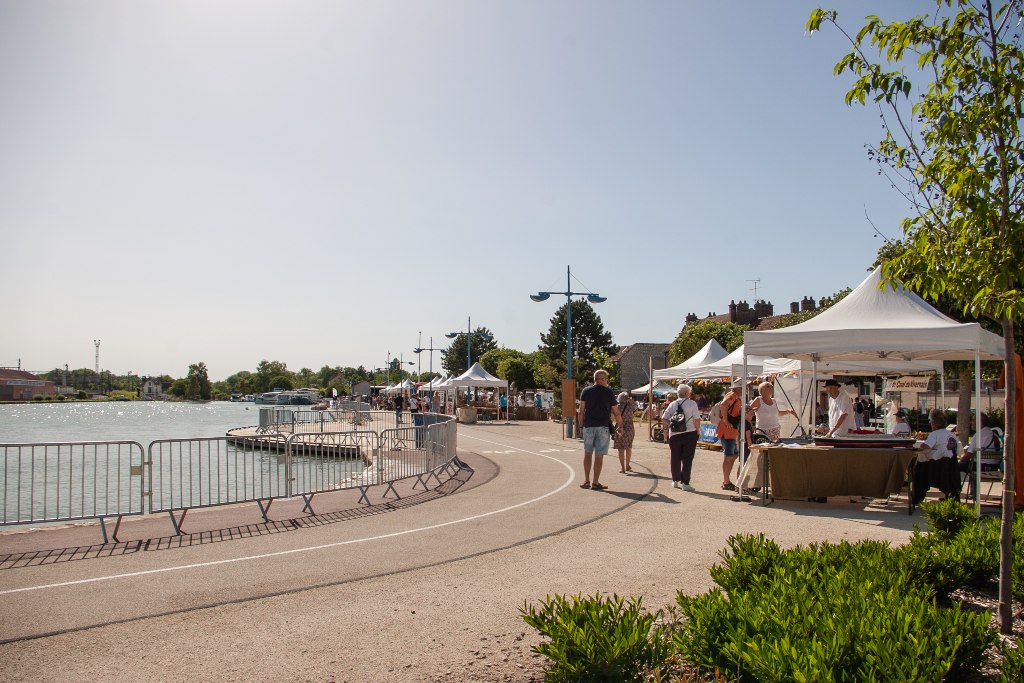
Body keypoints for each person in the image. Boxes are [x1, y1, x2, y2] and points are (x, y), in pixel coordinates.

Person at [577, 369, 623, 491]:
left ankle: (586, 480)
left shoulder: (586, 391)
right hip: (603, 427)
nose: (607, 381)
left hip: (588, 426)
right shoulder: (608, 392)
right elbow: (616, 412)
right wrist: (620, 426)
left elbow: (581, 411)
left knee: (587, 454)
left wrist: (581, 426)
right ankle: (595, 482)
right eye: (606, 379)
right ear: (602, 379)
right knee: (599, 456)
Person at [914, 408, 961, 505]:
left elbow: (926, 446)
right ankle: (952, 493)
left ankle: (918, 495)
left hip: (938, 468)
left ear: (934, 423)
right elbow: (959, 451)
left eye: (931, 422)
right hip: (952, 467)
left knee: (920, 468)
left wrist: (920, 447)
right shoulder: (952, 435)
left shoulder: (935, 434)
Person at [661, 383, 701, 490]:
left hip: (674, 435)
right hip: (689, 433)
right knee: (687, 458)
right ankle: (685, 483)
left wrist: (673, 425)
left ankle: (675, 480)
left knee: (675, 457)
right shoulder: (692, 403)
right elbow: (697, 419)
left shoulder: (672, 404)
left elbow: (664, 419)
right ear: (687, 393)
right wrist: (698, 431)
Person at [716, 379, 744, 490]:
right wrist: (726, 421)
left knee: (733, 455)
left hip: (731, 431)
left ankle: (727, 480)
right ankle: (726, 481)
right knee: (729, 457)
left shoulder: (736, 397)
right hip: (727, 431)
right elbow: (723, 405)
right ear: (738, 388)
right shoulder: (732, 395)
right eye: (743, 387)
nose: (744, 389)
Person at [613, 391, 637, 474]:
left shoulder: (616, 407)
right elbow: (636, 406)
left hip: (620, 427)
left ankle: (622, 468)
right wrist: (631, 401)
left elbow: (612, 417)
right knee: (629, 447)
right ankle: (627, 465)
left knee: (621, 449)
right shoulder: (631, 406)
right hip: (630, 428)